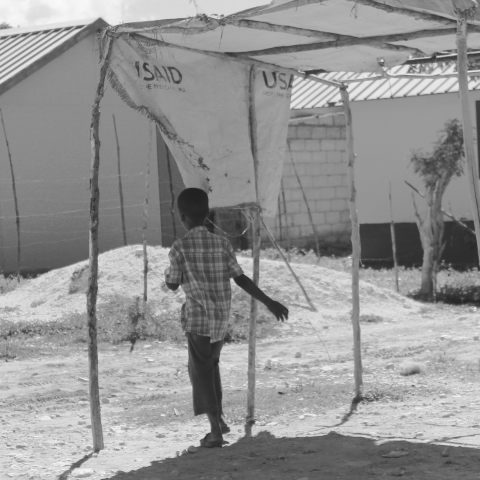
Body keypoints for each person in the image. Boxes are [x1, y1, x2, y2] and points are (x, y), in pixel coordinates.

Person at [162, 188, 289, 448]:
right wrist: (269, 302)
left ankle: (215, 432)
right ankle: (218, 420)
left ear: (182, 216)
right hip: (220, 320)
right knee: (211, 367)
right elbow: (240, 278)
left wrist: (168, 274)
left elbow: (173, 284)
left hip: (198, 320)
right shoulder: (221, 243)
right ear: (207, 214)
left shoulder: (180, 247)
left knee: (200, 372)